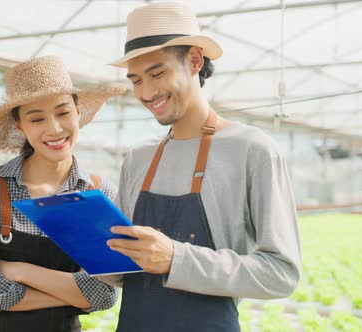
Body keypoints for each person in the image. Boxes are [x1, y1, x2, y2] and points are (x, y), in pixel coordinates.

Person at [102, 3, 302, 331]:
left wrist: (176, 259)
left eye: (157, 73)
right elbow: (122, 269)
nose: (147, 92)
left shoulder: (252, 151)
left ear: (195, 60)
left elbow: (281, 273)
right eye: (136, 80)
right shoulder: (137, 158)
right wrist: (87, 245)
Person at [0, 55, 125, 332]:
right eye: (37, 118)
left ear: (77, 111)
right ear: (20, 126)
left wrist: (19, 271)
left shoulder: (99, 192)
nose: (54, 129)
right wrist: (72, 293)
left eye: (63, 113)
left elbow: (104, 294)